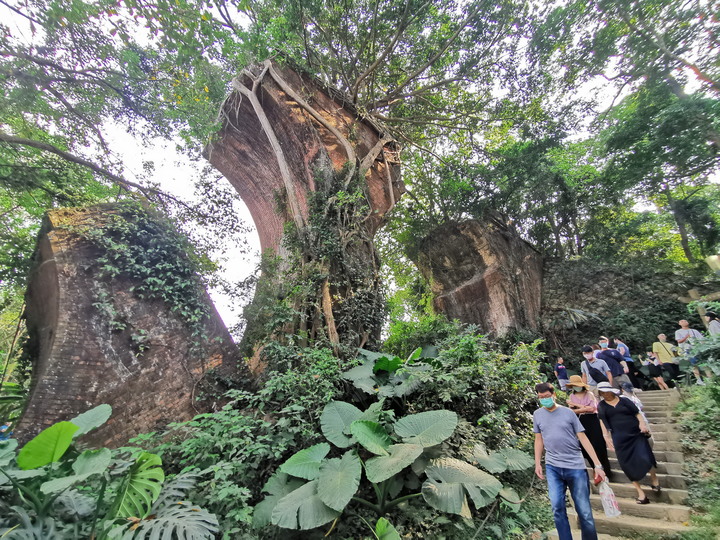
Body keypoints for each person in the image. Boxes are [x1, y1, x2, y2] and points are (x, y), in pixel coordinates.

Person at [534, 382, 605, 540]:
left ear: (554, 395)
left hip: (575, 466)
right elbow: (538, 440)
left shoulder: (568, 413)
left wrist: (597, 465)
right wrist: (538, 463)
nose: (543, 400)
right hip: (553, 466)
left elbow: (582, 437)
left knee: (584, 511)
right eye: (540, 398)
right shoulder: (537, 414)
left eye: (546, 397)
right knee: (557, 507)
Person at [597, 382, 660, 504]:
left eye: (606, 392)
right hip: (620, 438)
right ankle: (641, 493)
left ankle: (654, 479)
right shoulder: (602, 406)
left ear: (611, 391)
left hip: (636, 434)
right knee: (626, 464)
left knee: (646, 457)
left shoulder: (624, 400)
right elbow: (602, 421)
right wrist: (606, 437)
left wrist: (642, 424)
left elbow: (637, 413)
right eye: (602, 393)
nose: (605, 395)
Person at [566, 375, 613, 479]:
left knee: (599, 445)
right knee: (585, 448)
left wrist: (576, 406)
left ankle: (607, 472)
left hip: (593, 420)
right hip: (580, 422)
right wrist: (583, 408)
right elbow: (571, 411)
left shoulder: (589, 394)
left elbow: (593, 409)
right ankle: (596, 471)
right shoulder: (571, 396)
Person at [675, 319, 710, 385]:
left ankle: (709, 379)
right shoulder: (678, 332)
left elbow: (702, 339)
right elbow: (679, 341)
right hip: (688, 349)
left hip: (697, 348)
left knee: (704, 364)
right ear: (679, 324)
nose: (684, 322)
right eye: (682, 321)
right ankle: (699, 380)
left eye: (685, 321)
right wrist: (686, 337)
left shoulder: (694, 331)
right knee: (694, 365)